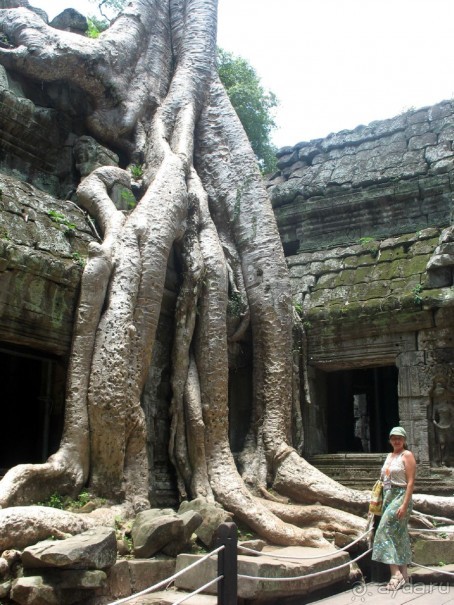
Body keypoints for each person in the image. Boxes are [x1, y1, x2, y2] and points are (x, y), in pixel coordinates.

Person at [371, 426, 416, 591]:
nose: (396, 441)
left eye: (399, 438)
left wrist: (404, 504)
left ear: (404, 440)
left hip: (401, 496)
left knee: (383, 531)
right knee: (400, 534)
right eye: (393, 438)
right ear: (390, 440)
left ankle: (394, 573)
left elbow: (410, 482)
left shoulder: (407, 455)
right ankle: (404, 574)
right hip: (388, 497)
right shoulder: (390, 456)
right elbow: (384, 478)